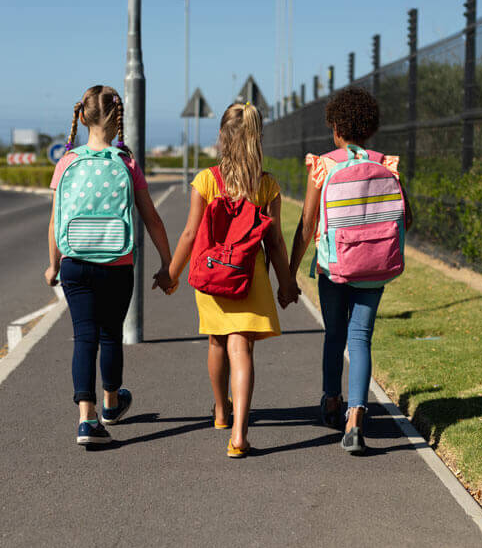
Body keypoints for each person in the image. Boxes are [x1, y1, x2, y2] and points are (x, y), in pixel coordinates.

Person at [165, 102, 300, 458]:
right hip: (249, 276)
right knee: (241, 348)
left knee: (216, 342)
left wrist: (171, 274)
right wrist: (286, 285)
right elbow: (275, 242)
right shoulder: (267, 185)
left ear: (222, 137)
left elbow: (190, 234)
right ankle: (239, 434)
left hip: (212, 274)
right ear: (257, 139)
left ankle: (221, 412)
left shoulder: (207, 180)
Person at [45, 85, 174, 446]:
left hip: (75, 262)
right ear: (119, 120)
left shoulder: (67, 162)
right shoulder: (126, 162)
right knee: (110, 334)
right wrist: (167, 264)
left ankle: (85, 421)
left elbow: (56, 221)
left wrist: (53, 264)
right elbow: (152, 219)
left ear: (82, 117)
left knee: (84, 336)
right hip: (117, 262)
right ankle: (111, 404)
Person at [288, 86, 411, 453]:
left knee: (335, 334)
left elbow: (308, 222)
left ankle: (330, 401)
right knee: (361, 338)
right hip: (375, 267)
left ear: (337, 127)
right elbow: (406, 217)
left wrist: (289, 272)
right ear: (369, 127)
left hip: (334, 266)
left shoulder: (324, 165)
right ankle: (356, 417)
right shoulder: (386, 164)